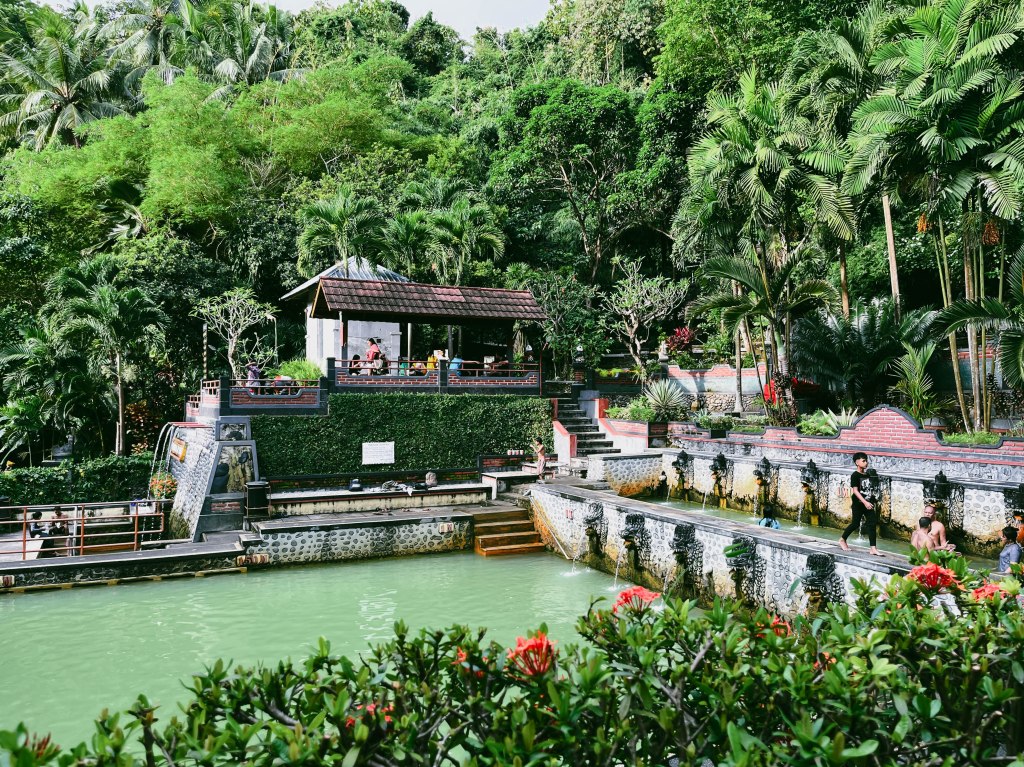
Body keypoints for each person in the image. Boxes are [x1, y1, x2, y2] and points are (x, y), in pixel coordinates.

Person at [839, 452, 882, 556]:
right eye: (863, 461)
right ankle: (842, 539)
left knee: (872, 523)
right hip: (858, 504)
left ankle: (873, 548)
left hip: (868, 503)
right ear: (857, 462)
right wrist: (865, 502)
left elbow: (868, 489)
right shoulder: (855, 475)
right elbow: (855, 491)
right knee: (855, 524)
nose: (866, 462)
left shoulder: (867, 475)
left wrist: (871, 500)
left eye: (866, 460)